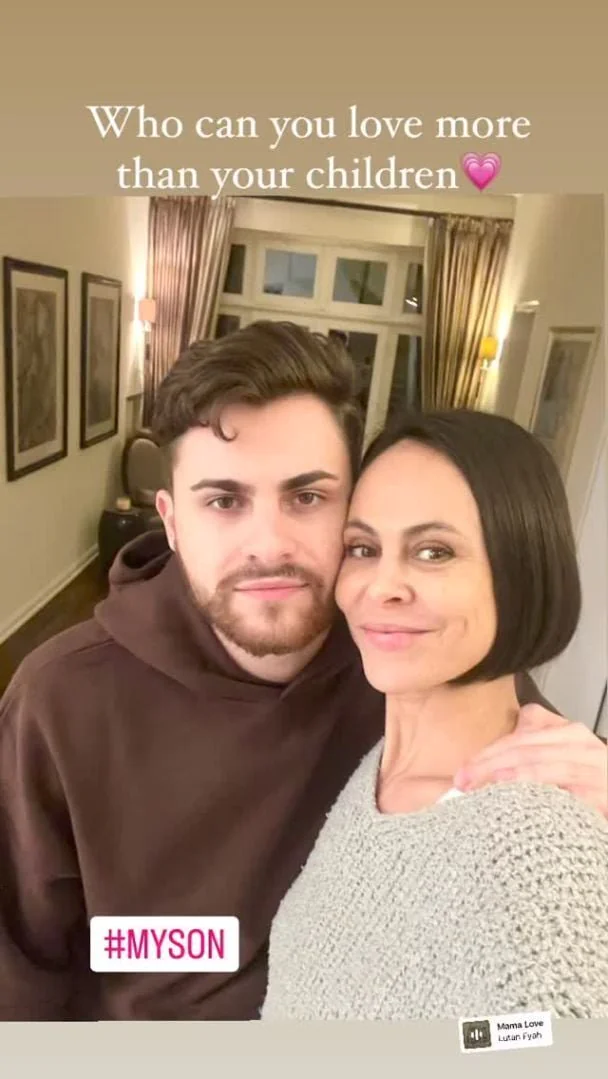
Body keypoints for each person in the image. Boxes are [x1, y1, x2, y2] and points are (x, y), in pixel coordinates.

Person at [0, 322, 604, 1022]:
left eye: (307, 497)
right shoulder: (60, 701)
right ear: (171, 519)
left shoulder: (404, 653)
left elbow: (540, 1014)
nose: (269, 545)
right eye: (224, 501)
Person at [261, 409, 608, 1021]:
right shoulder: (374, 776)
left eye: (434, 551)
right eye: (363, 548)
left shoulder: (542, 849)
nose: (381, 586)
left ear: (521, 573)